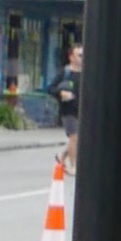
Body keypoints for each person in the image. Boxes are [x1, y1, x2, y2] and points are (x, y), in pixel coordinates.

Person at [47, 43, 82, 175]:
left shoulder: (86, 73)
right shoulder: (65, 72)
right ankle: (73, 166)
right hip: (68, 111)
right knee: (74, 137)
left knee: (79, 139)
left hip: (82, 111)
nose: (82, 58)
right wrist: (61, 93)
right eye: (79, 55)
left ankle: (61, 156)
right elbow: (50, 88)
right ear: (71, 57)